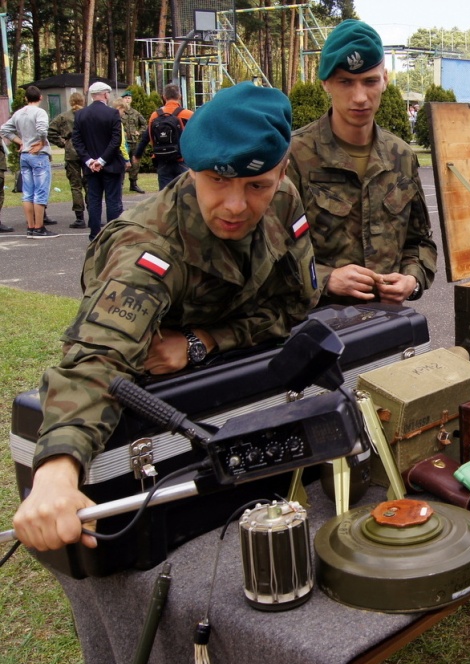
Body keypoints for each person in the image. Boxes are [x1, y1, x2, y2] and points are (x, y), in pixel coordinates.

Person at [11, 81, 320, 552]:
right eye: (217, 180)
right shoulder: (148, 248)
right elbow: (98, 358)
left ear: (280, 173)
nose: (236, 205)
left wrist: (205, 340)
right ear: (192, 169)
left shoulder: (284, 200)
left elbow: (295, 305)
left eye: (256, 185)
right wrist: (56, 470)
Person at [287, 19, 436, 307]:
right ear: (326, 83)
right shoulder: (296, 156)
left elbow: (419, 241)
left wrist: (412, 279)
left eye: (370, 81)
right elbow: (270, 256)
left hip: (387, 322)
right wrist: (326, 277)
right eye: (345, 82)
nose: (359, 97)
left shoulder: (401, 156)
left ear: (385, 80)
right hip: (316, 325)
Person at [0, 85, 58, 238]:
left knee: (27, 193)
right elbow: (42, 130)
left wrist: (20, 142)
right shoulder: (40, 112)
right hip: (38, 154)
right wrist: (41, 142)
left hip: (25, 154)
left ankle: (30, 227)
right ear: (40, 97)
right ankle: (39, 227)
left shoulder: (19, 113)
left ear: (26, 98)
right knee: (40, 192)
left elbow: (4, 129)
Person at [72, 82, 125, 242]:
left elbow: (77, 140)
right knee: (113, 201)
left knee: (94, 201)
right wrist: (102, 160)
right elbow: (116, 140)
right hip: (111, 164)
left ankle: (94, 235)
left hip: (90, 167)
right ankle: (112, 236)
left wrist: (89, 160)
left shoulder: (81, 115)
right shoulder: (112, 114)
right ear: (105, 94)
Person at [133, 82, 193, 190]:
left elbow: (147, 136)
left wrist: (137, 155)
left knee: (164, 198)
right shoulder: (188, 114)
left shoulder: (155, 115)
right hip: (182, 159)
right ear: (180, 97)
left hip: (162, 160)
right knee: (185, 196)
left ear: (164, 97)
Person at [48, 92, 88, 229]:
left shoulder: (64, 117)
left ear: (71, 102)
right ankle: (94, 215)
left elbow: (51, 131)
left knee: (75, 185)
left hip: (71, 151)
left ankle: (79, 218)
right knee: (90, 184)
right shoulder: (88, 114)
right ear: (83, 101)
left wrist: (62, 143)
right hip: (88, 150)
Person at [120, 89, 148, 193]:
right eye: (125, 98)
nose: (127, 100)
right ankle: (120, 184)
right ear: (122, 100)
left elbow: (145, 124)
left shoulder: (135, 113)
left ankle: (133, 184)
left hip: (134, 142)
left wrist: (139, 132)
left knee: (135, 164)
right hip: (123, 143)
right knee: (122, 163)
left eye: (129, 98)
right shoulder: (119, 113)